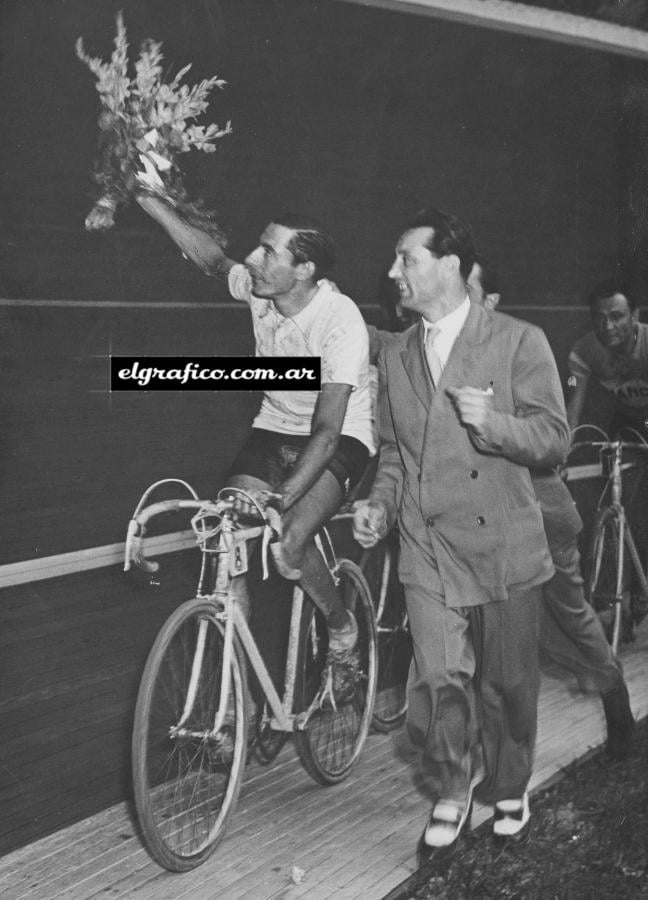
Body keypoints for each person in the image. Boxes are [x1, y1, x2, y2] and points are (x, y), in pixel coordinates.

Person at [353, 206, 570, 849]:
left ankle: (508, 788)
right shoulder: (395, 354)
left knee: (506, 686)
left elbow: (555, 440)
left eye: (406, 259)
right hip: (427, 542)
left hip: (501, 539)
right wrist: (379, 505)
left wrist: (494, 423)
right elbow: (394, 452)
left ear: (449, 266)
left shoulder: (517, 340)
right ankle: (452, 786)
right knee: (437, 679)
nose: (393, 272)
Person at [136, 193, 376, 691]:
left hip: (339, 435)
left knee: (288, 544)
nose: (253, 259)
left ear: (305, 269)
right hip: (276, 425)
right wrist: (152, 204)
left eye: (269, 252)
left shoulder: (340, 320)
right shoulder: (262, 291)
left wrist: (282, 497)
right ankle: (234, 697)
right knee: (226, 537)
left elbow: (328, 433)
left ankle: (341, 628)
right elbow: (210, 259)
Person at [467, 257, 634, 761]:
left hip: (540, 516)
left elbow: (552, 438)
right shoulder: (433, 348)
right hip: (483, 525)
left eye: (465, 286)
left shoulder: (519, 347)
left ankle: (615, 700)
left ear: (490, 301)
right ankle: (481, 761)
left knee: (568, 620)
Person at [567, 279, 648, 437]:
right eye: (600, 317)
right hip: (626, 418)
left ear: (634, 316)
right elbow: (572, 410)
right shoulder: (584, 350)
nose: (608, 327)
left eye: (616, 317)